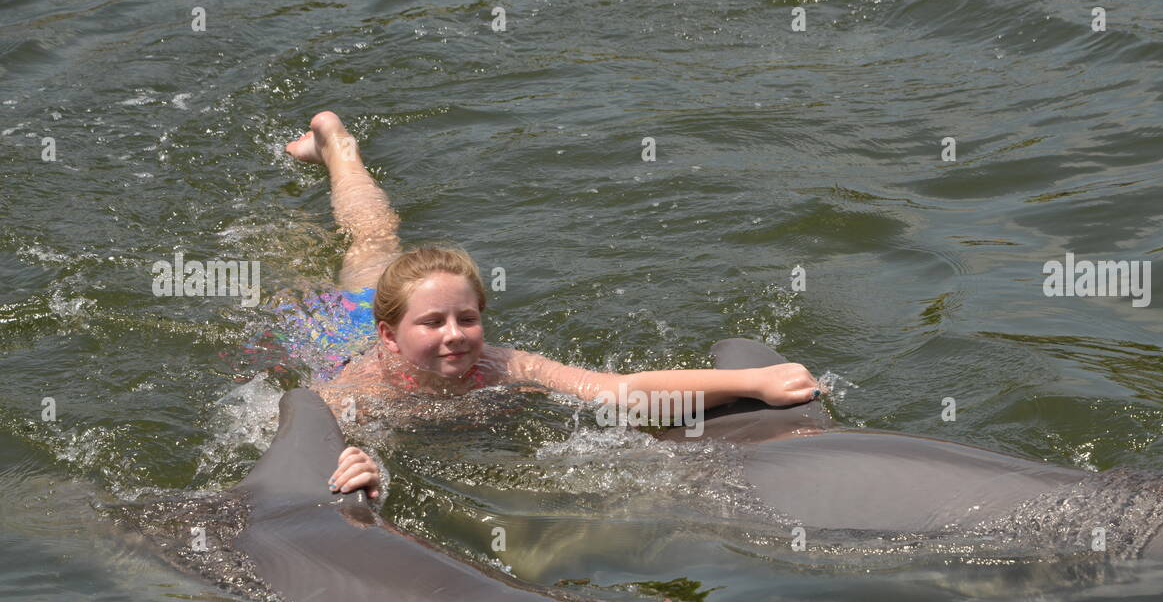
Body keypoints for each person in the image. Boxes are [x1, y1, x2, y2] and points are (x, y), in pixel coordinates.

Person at [284, 111, 822, 499]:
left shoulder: (502, 365)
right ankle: (337, 146)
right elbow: (294, 439)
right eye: (433, 322)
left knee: (379, 240)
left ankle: (335, 145)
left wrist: (753, 382)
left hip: (384, 321)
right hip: (342, 329)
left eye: (466, 318)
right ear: (391, 335)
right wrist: (353, 465)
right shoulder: (359, 393)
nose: (454, 334)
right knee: (372, 241)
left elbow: (619, 392)